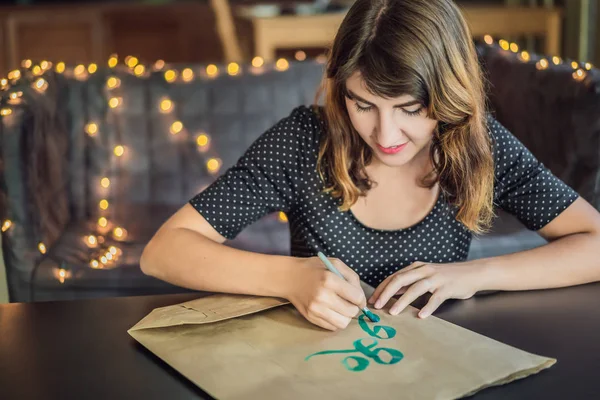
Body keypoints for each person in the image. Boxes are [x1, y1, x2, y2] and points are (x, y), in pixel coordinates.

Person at [140, 0, 600, 332]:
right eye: (364, 105)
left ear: (448, 95)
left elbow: (595, 243)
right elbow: (163, 251)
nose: (385, 135)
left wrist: (476, 274)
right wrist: (288, 278)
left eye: (410, 108)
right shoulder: (303, 143)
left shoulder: (477, 147)